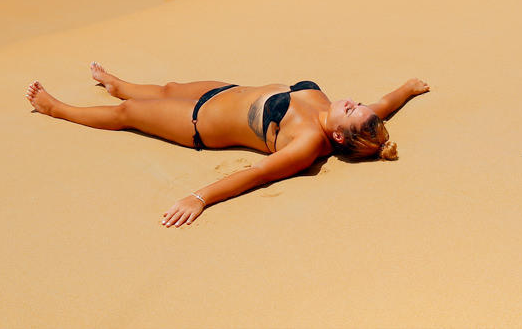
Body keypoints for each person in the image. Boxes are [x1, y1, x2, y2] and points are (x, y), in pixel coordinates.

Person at [26, 63, 430, 227]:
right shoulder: (333, 111)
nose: (353, 102)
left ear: (339, 137)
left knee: (130, 112)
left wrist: (199, 198)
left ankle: (56, 109)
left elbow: (256, 175)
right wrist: (407, 89)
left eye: (352, 110)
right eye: (355, 103)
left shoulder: (307, 143)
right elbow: (381, 107)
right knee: (165, 87)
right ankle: (117, 84)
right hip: (226, 92)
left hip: (198, 122)